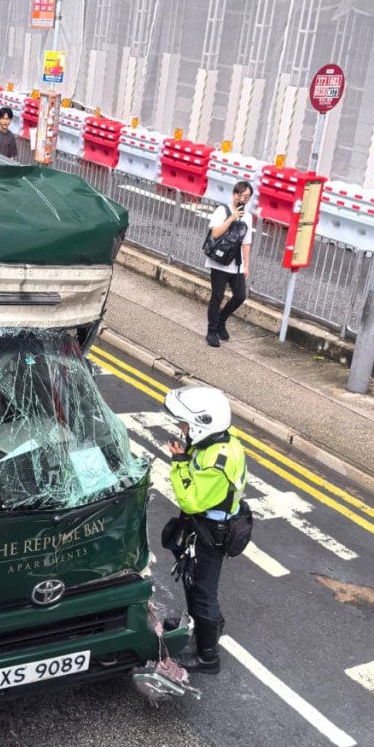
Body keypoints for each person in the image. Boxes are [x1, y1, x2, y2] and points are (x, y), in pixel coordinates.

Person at [133, 385, 247, 701]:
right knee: (193, 580)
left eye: (185, 424)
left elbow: (190, 497)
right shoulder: (220, 443)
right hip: (206, 526)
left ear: (201, 424)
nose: (182, 429)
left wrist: (179, 461)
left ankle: (208, 656)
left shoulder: (217, 460)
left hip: (210, 531)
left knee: (202, 590)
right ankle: (202, 628)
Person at [205, 180, 254, 347]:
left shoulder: (248, 217)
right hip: (219, 262)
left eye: (246, 197)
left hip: (237, 264)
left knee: (240, 295)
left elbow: (246, 242)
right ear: (234, 194)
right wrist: (232, 218)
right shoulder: (222, 210)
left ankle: (221, 320)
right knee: (217, 297)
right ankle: (211, 331)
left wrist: (247, 265)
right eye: (240, 195)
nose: (242, 199)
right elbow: (216, 233)